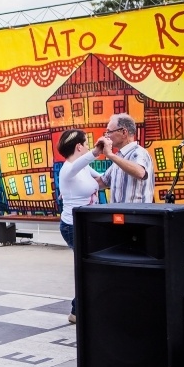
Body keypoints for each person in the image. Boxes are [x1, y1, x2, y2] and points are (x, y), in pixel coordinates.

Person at [57, 129, 105, 324]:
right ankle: (77, 311)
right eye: (86, 143)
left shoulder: (84, 168)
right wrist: (97, 151)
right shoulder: (68, 169)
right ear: (79, 147)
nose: (87, 146)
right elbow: (80, 164)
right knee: (89, 267)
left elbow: (103, 180)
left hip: (86, 223)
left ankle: (80, 310)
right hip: (72, 227)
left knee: (91, 266)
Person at [95, 113, 155, 203]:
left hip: (136, 211)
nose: (107, 136)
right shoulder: (120, 157)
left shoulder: (138, 152)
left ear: (124, 132)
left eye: (109, 132)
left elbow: (140, 172)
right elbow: (102, 182)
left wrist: (110, 155)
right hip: (119, 211)